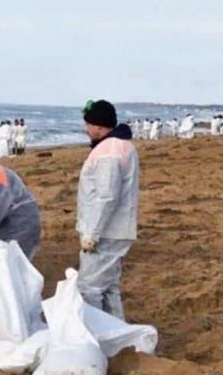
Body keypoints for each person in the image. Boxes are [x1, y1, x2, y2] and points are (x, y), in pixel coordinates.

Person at [77, 100, 139, 320]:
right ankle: (116, 333)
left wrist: (91, 234)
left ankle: (96, 335)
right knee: (108, 286)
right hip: (113, 229)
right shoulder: (117, 146)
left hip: (106, 232)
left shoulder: (110, 151)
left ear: (99, 125)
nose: (86, 130)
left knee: (89, 288)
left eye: (88, 125)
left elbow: (107, 196)